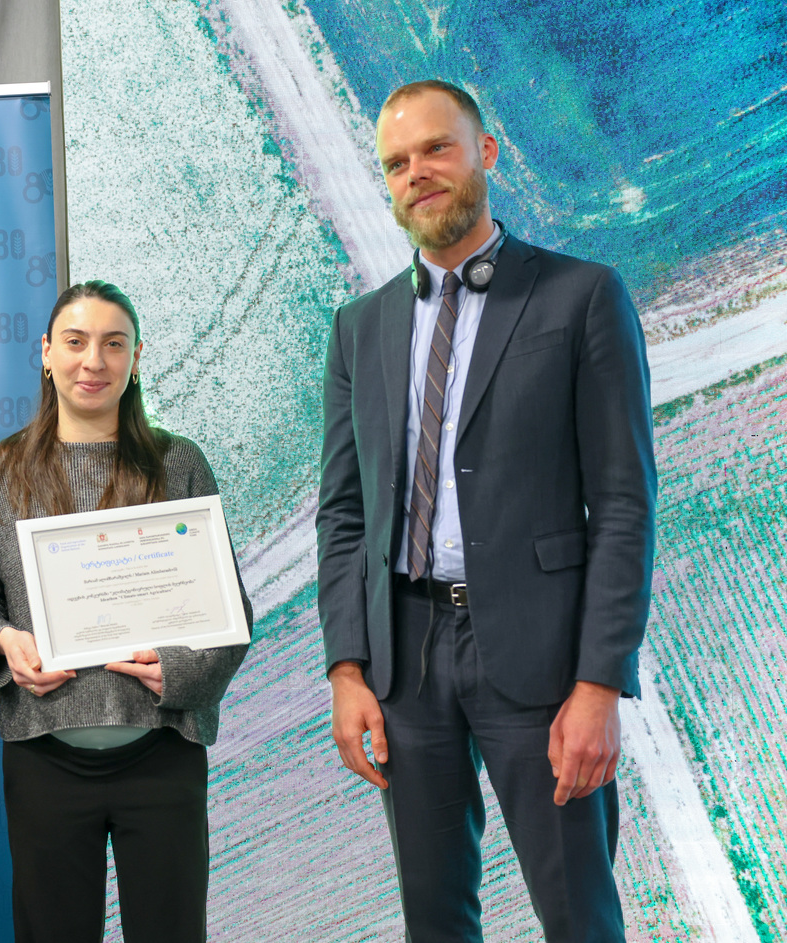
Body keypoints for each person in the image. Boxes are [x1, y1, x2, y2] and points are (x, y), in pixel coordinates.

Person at [316, 80, 655, 942]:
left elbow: (623, 504)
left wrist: (598, 683)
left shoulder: (581, 295)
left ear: (485, 152)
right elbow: (343, 515)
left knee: (579, 919)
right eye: (396, 162)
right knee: (433, 921)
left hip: (542, 663)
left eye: (436, 147)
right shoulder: (358, 328)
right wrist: (347, 670)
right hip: (403, 663)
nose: (417, 173)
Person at [0, 280, 251, 943]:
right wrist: (2, 642)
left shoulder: (178, 463)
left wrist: (180, 670)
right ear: (46, 353)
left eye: (113, 344)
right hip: (44, 759)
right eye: (76, 341)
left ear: (136, 358)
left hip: (162, 753)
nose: (93, 361)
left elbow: (230, 608)